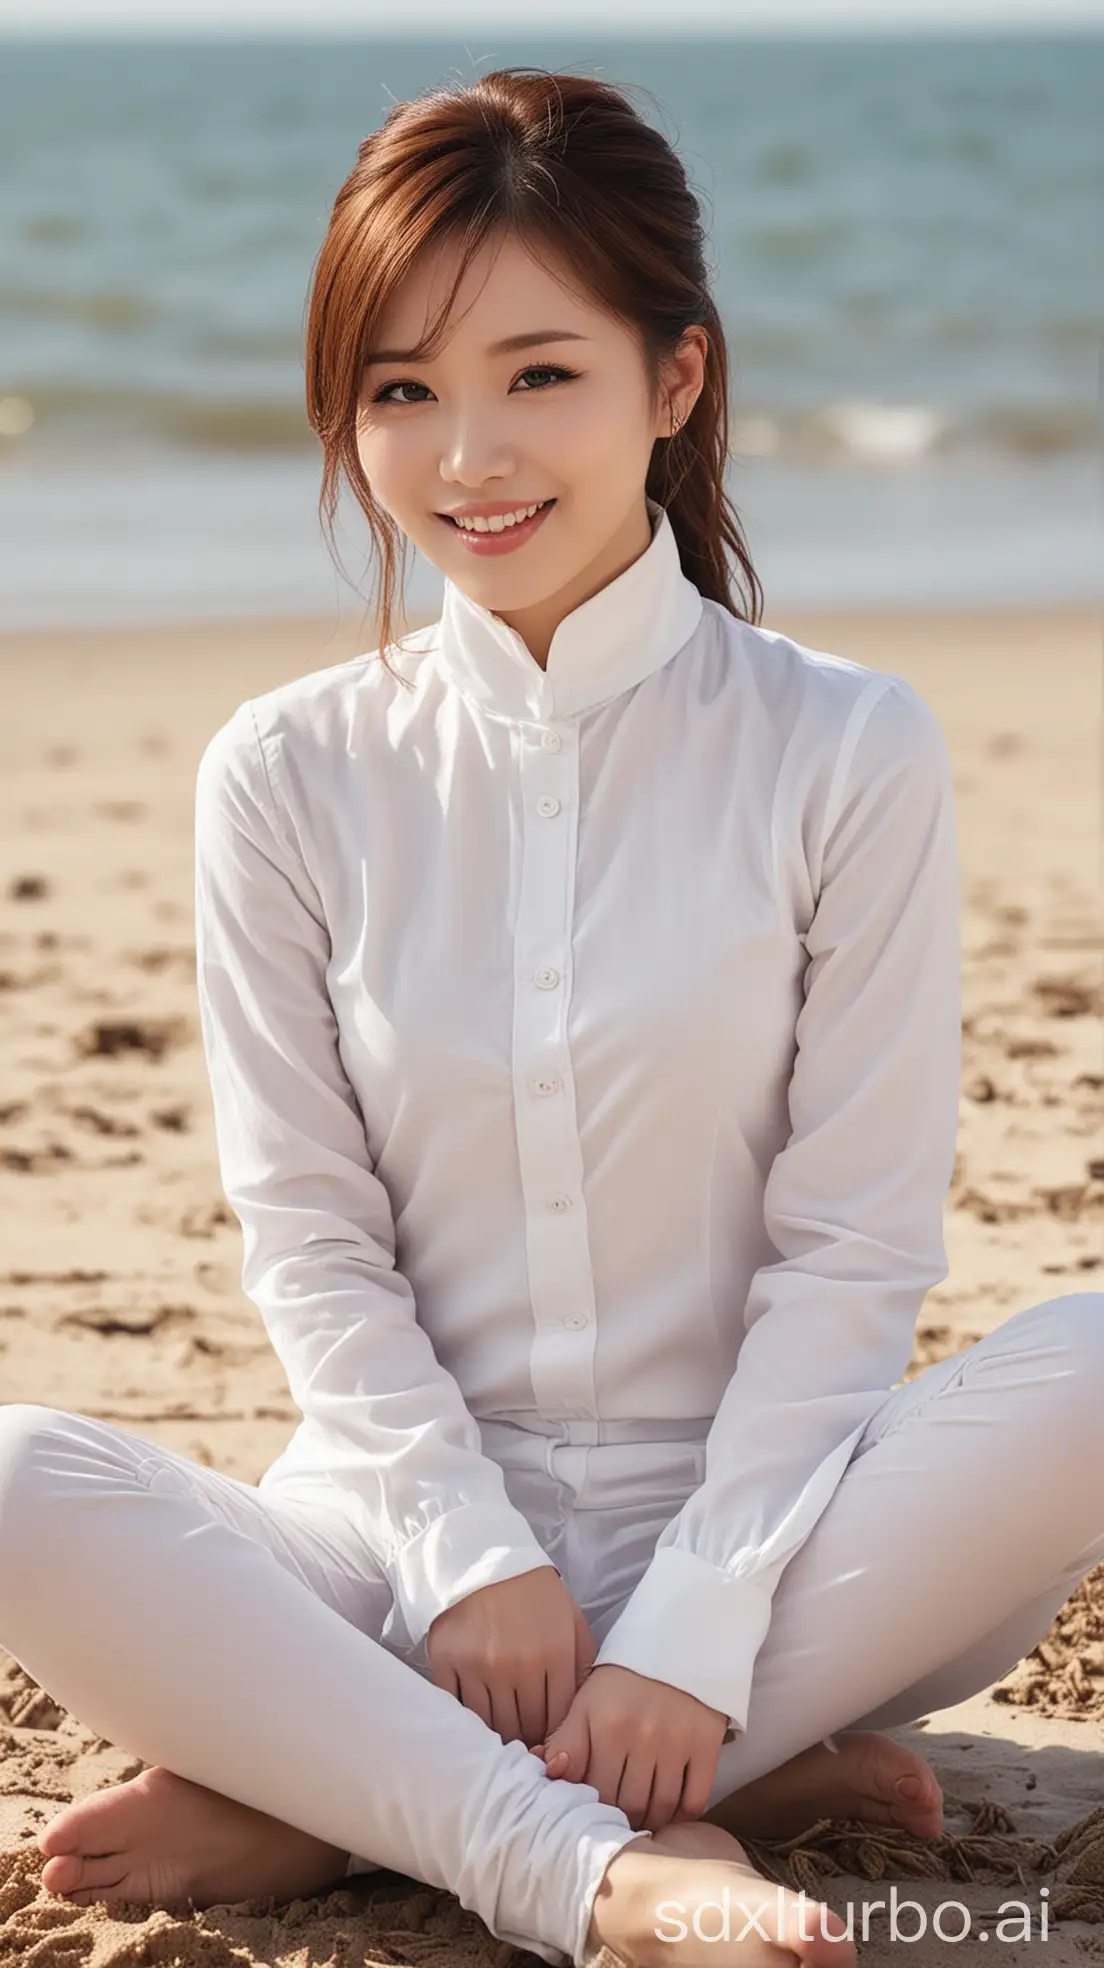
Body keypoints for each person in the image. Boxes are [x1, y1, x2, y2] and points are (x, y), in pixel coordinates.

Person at [0, 64, 1101, 1968]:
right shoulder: (285, 772)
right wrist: (467, 1554)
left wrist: (686, 1630)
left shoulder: (845, 748)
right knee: (15, 1479)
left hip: (789, 1551)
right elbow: (313, 1245)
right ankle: (634, 1833)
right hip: (389, 1558)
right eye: (401, 392)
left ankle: (348, 1806)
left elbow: (854, 1256)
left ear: (673, 381)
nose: (466, 457)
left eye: (539, 374)